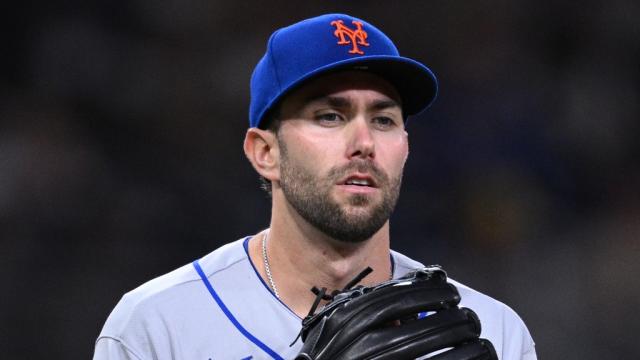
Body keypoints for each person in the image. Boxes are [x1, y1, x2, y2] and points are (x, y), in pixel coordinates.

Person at [94, 13, 537, 360]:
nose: (363, 143)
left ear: (405, 147)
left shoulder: (491, 331)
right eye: (330, 116)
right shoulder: (157, 325)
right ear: (265, 152)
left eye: (383, 120)